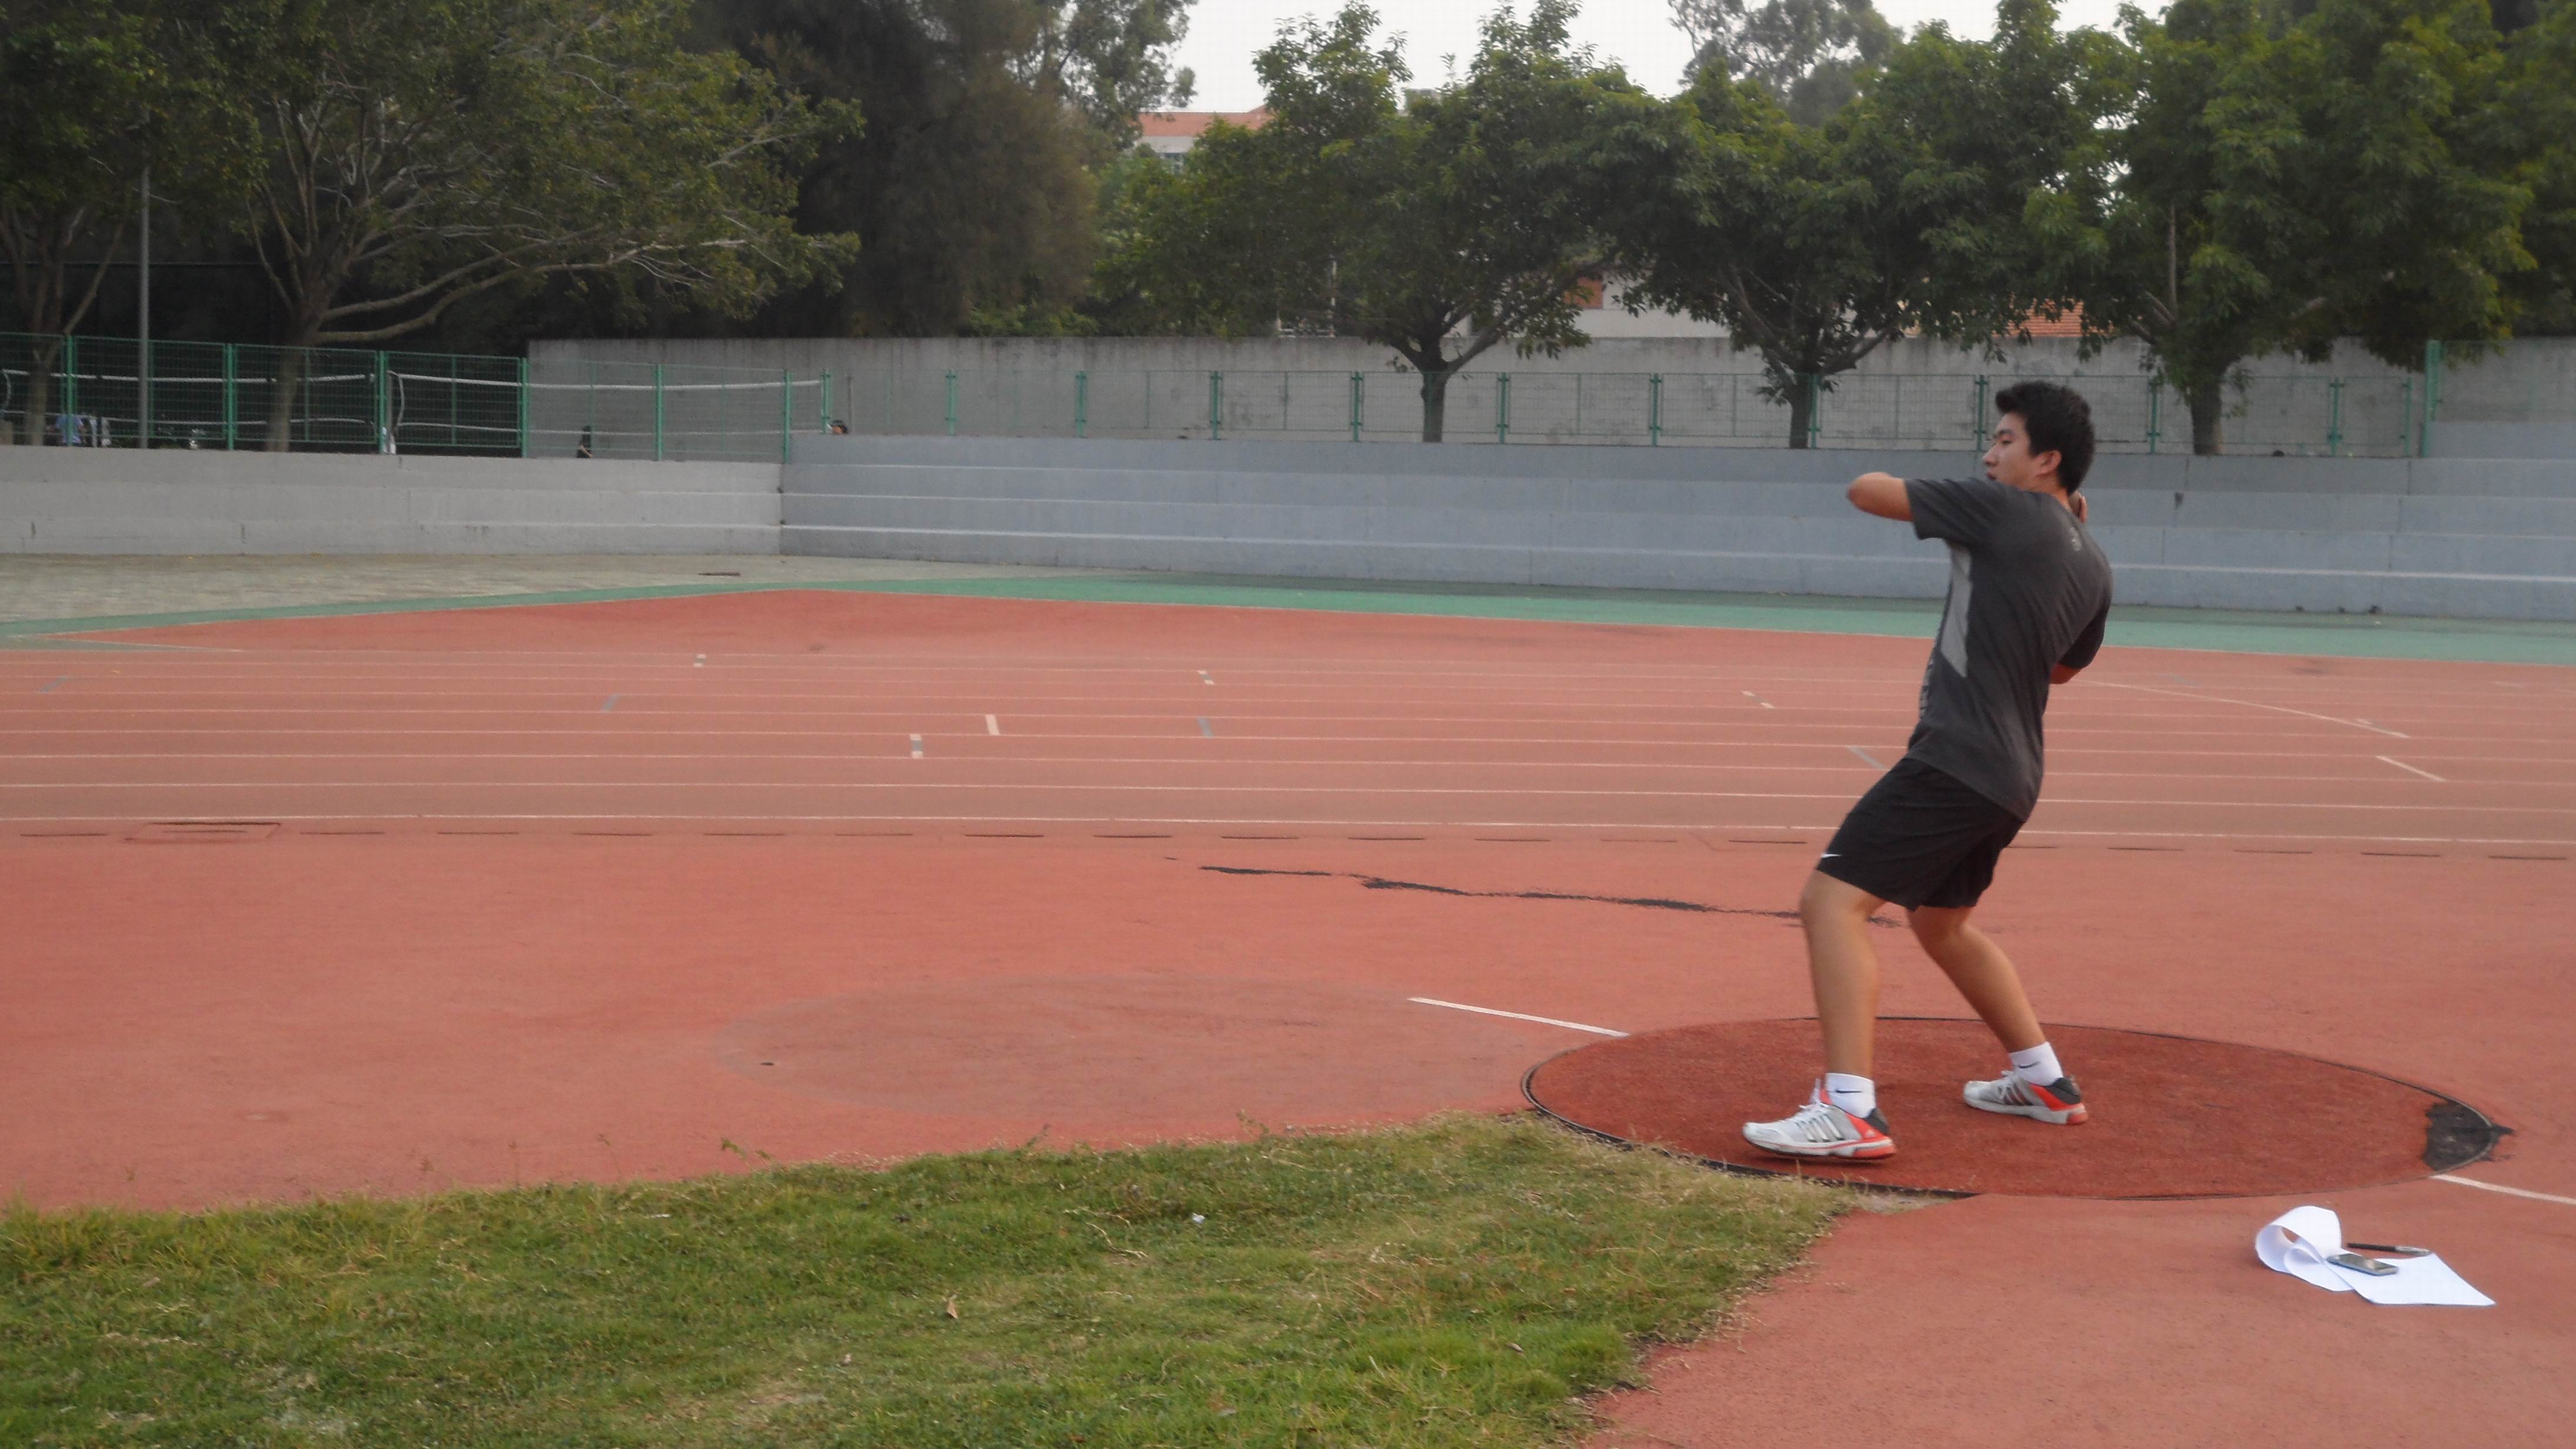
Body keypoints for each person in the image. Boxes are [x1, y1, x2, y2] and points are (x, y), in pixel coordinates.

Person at [1743, 381, 2114, 1161]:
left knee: (1830, 903)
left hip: (1956, 758)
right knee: (1941, 923)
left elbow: (1865, 490)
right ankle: (2043, 1081)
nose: (1989, 453)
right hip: (2013, 773)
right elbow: (2063, 670)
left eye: (2005, 440)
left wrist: (1994, 522)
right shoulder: (2092, 559)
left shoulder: (2007, 511)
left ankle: (1849, 1111)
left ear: (2047, 460)